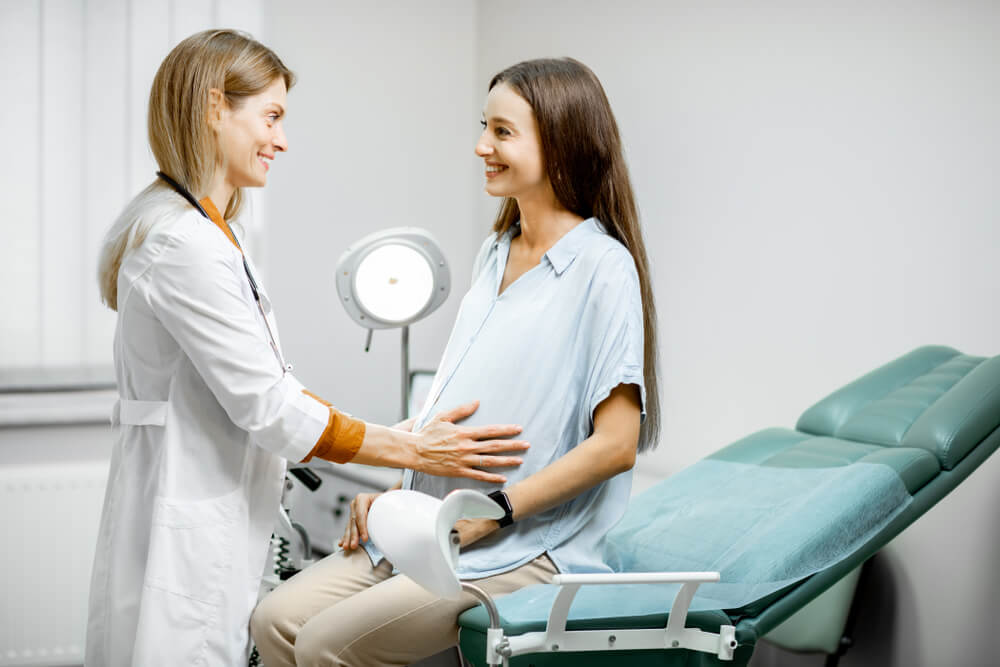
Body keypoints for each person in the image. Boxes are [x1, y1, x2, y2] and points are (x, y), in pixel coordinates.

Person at [86, 29, 529, 667]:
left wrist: (395, 433)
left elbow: (268, 388)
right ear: (215, 109)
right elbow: (271, 406)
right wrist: (409, 447)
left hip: (204, 508)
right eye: (270, 116)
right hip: (184, 520)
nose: (282, 139)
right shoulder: (184, 242)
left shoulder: (211, 230)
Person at [250, 57, 661, 667]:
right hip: (430, 525)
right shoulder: (496, 252)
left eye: (501, 131)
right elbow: (459, 396)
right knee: (274, 619)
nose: (480, 146)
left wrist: (491, 514)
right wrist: (395, 493)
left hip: (519, 546)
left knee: (323, 645)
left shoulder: (602, 268)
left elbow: (617, 445)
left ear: (561, 141)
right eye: (483, 127)